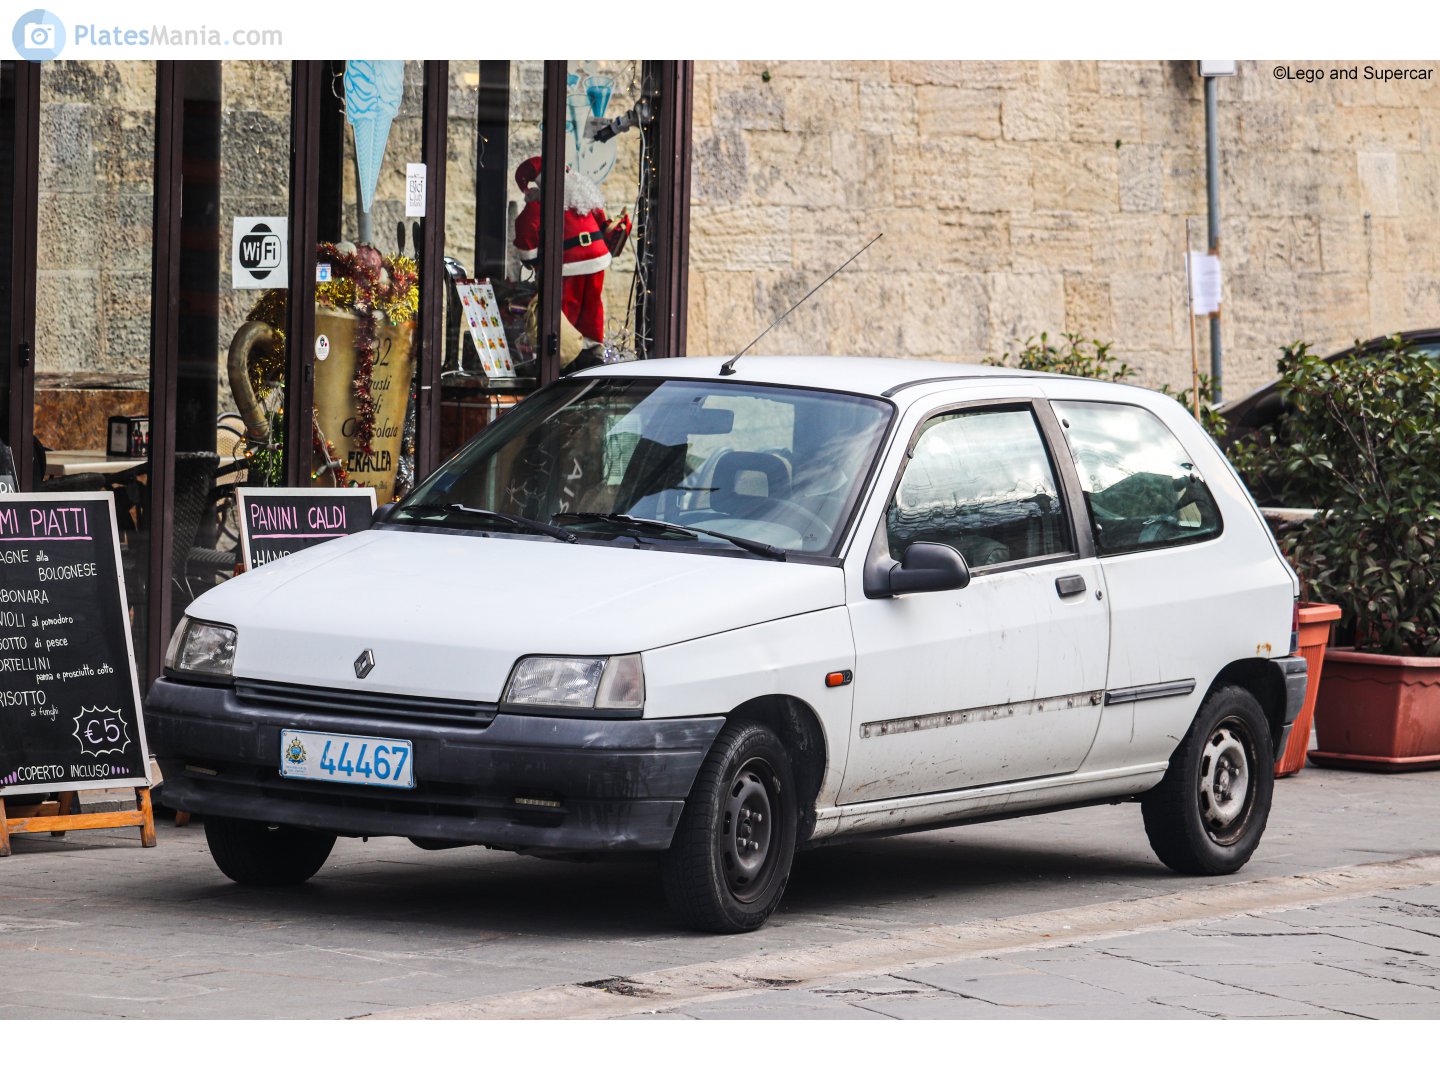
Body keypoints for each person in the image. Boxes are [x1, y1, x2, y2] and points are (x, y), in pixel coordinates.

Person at [512, 156, 630, 369]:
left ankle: (568, 356)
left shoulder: (540, 204)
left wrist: (530, 259)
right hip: (597, 258)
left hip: (568, 263)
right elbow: (602, 219)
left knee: (566, 308)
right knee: (593, 305)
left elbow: (527, 229)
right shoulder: (583, 195)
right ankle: (593, 349)